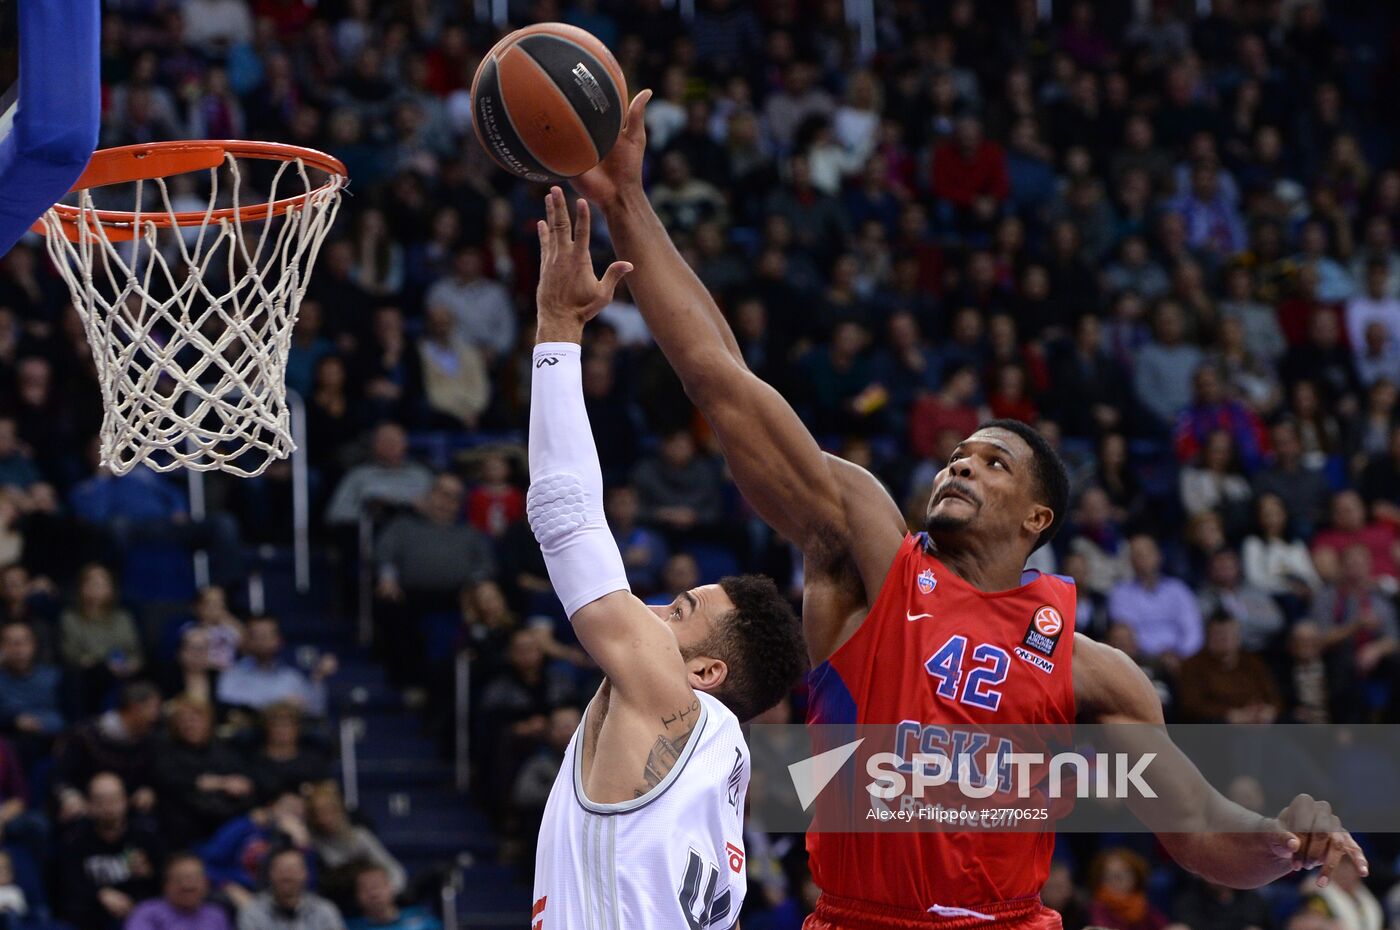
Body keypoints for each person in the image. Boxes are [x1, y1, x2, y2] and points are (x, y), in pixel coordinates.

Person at [570, 93, 1364, 930]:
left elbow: (1200, 833)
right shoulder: (870, 557)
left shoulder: (1097, 675)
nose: (963, 464)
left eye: (995, 463)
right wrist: (627, 204)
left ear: (1037, 520)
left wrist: (1286, 843)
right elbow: (721, 380)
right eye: (959, 454)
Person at [526, 189, 806, 928]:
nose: (651, 608)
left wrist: (557, 330)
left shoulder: (673, 703)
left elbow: (567, 520)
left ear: (706, 672)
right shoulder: (722, 781)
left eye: (679, 612)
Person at [55, 772, 163, 930]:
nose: (108, 806)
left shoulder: (146, 836)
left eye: (114, 799)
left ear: (126, 800)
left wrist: (149, 873)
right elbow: (65, 887)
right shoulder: (74, 840)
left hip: (139, 917)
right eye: (100, 800)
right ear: (89, 804)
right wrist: (99, 894)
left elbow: (164, 884)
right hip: (89, 920)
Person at [304, 782, 404, 911]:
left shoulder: (360, 836)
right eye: (318, 813)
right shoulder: (311, 843)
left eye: (330, 811)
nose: (325, 818)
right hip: (338, 903)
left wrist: (389, 892)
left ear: (340, 810)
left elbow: (393, 869)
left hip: (374, 899)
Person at [217, 616, 336, 716]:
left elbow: (315, 711)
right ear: (247, 641)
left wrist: (318, 677)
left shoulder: (291, 678)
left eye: (266, 635)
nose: (261, 641)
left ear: (279, 640)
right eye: (255, 636)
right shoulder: (232, 674)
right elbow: (229, 708)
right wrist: (279, 706)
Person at [1177, 613, 1282, 723]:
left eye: (1228, 634)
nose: (1224, 639)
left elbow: (1273, 696)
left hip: (1259, 724)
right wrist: (1228, 715)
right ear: (1207, 637)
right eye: (1218, 634)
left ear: (1238, 637)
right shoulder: (1193, 666)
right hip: (1218, 729)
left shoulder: (1253, 662)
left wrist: (1269, 710)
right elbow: (1191, 706)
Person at [236, 847, 343, 930]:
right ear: (269, 874)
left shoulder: (324, 910)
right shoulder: (253, 912)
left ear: (305, 874)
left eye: (293, 869)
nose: (287, 875)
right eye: (281, 869)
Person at [125, 854, 233, 930]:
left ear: (206, 883)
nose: (188, 885)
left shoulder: (216, 914)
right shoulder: (146, 913)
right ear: (166, 885)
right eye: (180, 879)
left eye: (195, 879)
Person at [346, 864, 440, 930]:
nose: (374, 894)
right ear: (357, 896)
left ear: (391, 888)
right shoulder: (348, 927)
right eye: (366, 889)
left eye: (377, 886)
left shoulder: (421, 917)